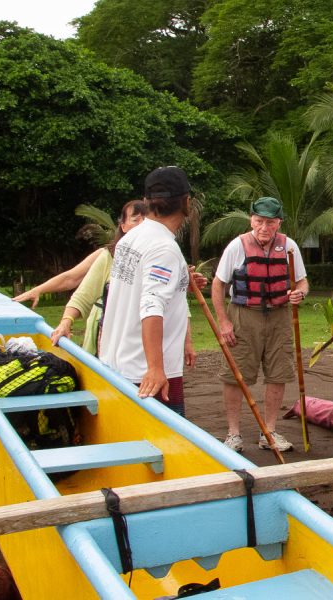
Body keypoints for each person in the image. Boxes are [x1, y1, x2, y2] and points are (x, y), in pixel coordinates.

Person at [99, 166, 205, 417]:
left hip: (115, 364)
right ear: (186, 202)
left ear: (146, 202)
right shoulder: (164, 248)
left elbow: (137, 288)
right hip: (147, 375)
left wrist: (181, 280)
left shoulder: (129, 239)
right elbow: (151, 307)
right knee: (166, 441)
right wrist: (156, 368)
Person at [211, 197, 309, 453]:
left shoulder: (289, 247)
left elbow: (302, 281)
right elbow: (218, 284)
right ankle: (233, 434)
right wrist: (224, 321)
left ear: (279, 222)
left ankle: (270, 431)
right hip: (244, 315)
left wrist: (300, 293)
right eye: (259, 221)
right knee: (235, 374)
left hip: (279, 316)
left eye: (270, 222)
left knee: (278, 373)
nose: (264, 228)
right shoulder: (237, 246)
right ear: (251, 220)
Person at [50, 200, 147, 354]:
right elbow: (81, 294)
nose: (141, 225)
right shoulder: (109, 256)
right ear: (123, 226)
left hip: (145, 340)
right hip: (110, 341)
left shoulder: (161, 256)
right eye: (135, 220)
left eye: (146, 220)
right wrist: (66, 322)